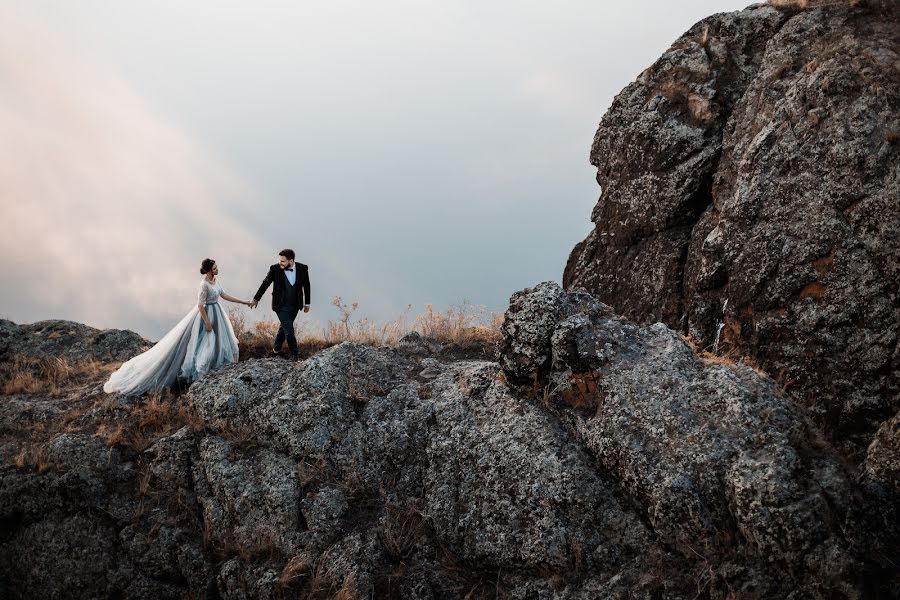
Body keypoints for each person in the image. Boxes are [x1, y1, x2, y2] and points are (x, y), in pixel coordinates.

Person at [104, 258, 253, 396]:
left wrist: (243, 302)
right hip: (207, 314)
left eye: (217, 268)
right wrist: (207, 322)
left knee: (218, 341)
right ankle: (202, 372)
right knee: (205, 343)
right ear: (208, 270)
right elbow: (200, 305)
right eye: (215, 268)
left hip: (217, 312)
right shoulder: (204, 285)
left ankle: (216, 367)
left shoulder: (215, 280)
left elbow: (224, 295)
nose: (217, 270)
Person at [249, 249, 311, 359]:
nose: (280, 263)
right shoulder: (274, 269)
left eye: (283, 261)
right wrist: (256, 299)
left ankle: (275, 351)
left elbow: (307, 285)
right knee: (289, 330)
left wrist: (307, 303)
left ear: (291, 261)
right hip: (280, 306)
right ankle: (295, 355)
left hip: (295, 305)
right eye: (280, 260)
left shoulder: (302, 268)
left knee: (284, 328)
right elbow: (265, 283)